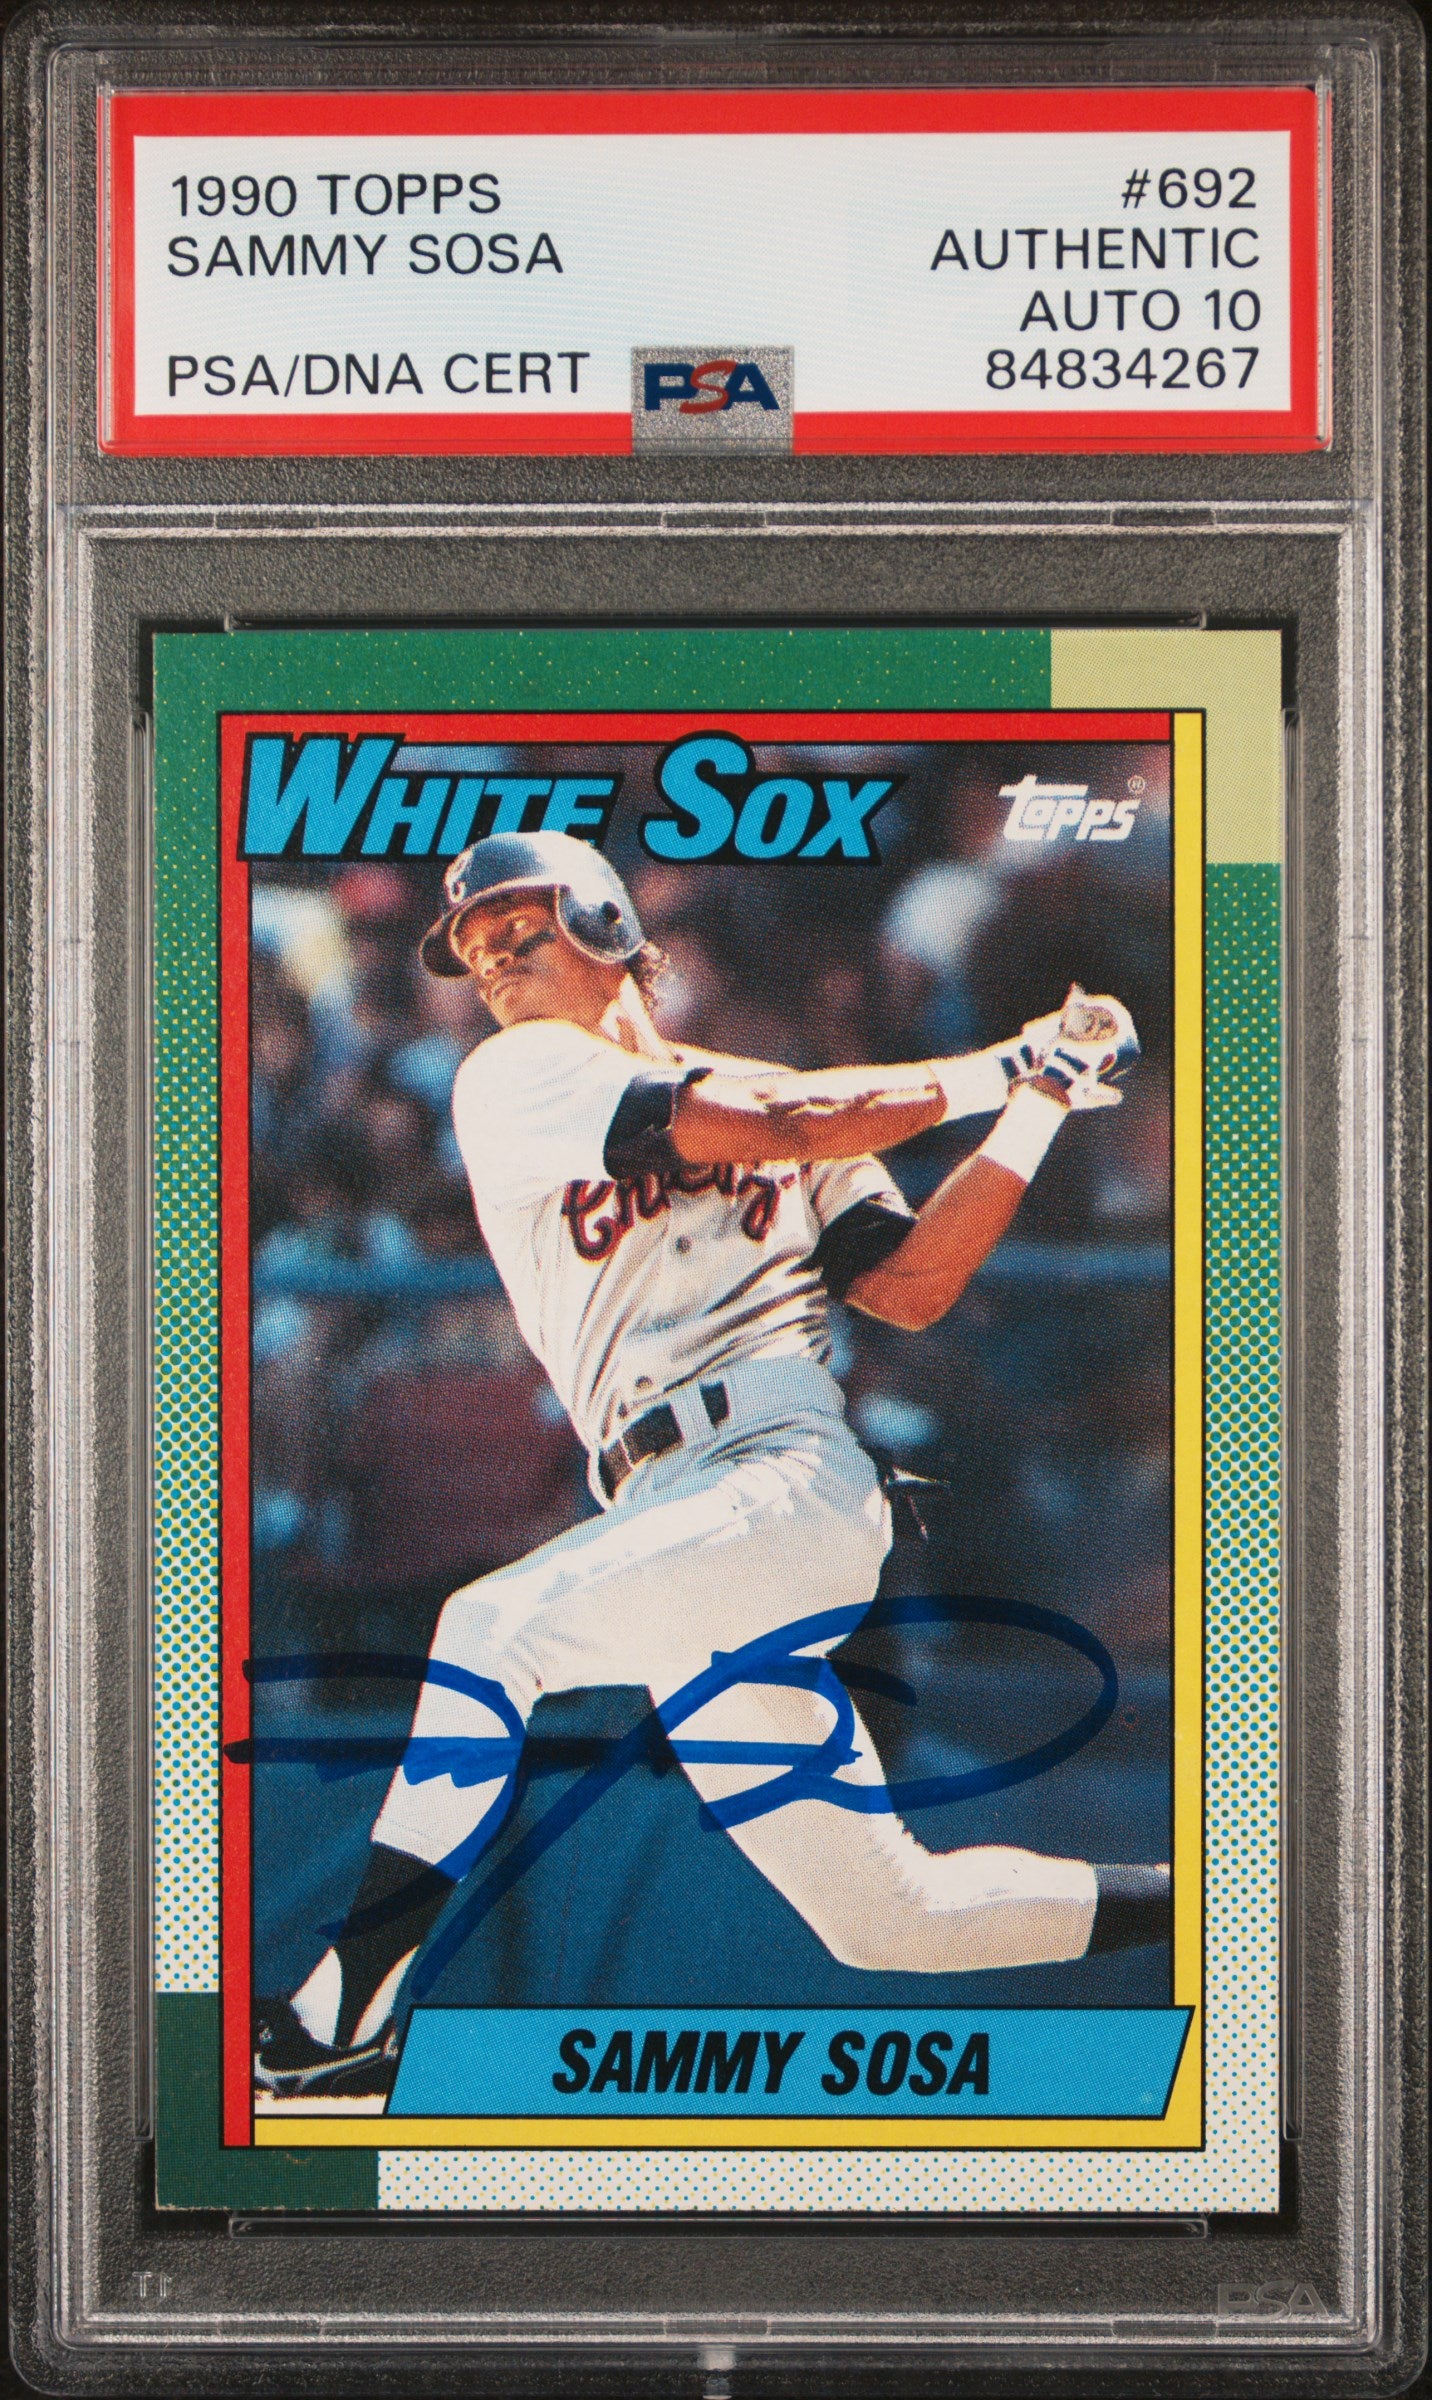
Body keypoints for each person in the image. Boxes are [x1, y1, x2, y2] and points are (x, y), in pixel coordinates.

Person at [256, 831, 1168, 2102]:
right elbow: (771, 1122)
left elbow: (910, 1284)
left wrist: (1041, 1101)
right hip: (670, 1513)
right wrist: (1004, 1066)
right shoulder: (517, 1074)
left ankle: (345, 2014)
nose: (495, 963)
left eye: (519, 929)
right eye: (474, 949)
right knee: (891, 1920)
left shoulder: (790, 1095)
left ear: (605, 920)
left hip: (780, 1473)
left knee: (489, 1630)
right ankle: (1213, 1903)